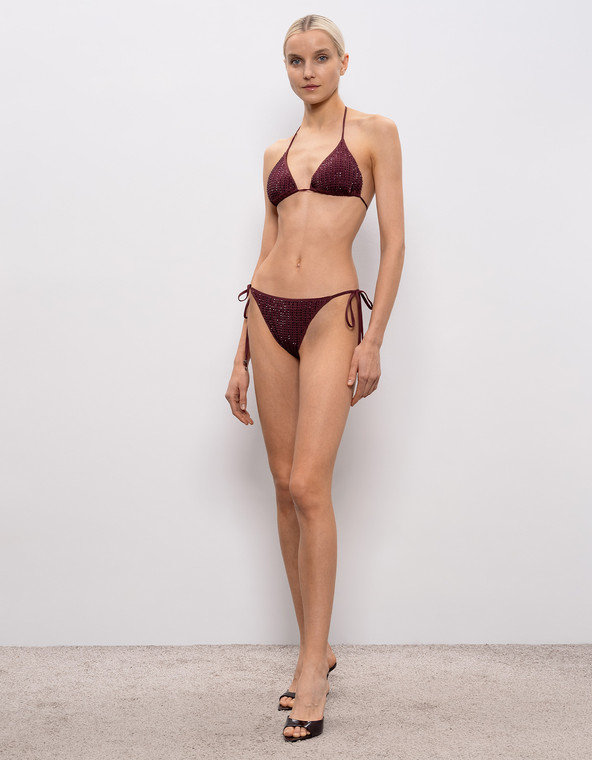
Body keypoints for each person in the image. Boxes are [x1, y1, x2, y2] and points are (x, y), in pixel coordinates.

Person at [225, 14, 404, 742]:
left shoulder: (375, 133)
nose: (309, 71)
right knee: (280, 483)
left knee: (309, 485)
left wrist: (375, 339)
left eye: (321, 57)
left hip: (333, 311)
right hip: (266, 311)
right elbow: (266, 246)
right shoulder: (276, 150)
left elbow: (394, 241)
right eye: (296, 60)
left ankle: (310, 671)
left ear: (343, 62)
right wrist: (238, 352)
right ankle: (315, 648)